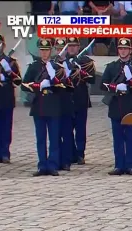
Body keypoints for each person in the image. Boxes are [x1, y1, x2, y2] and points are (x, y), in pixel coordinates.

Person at [20, 38, 64, 176]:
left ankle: (52, 165)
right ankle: (42, 165)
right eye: (42, 50)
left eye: (47, 50)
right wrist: (37, 86)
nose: (44, 53)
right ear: (39, 51)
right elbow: (24, 85)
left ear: (50, 51)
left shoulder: (56, 67)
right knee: (40, 138)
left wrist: (53, 81)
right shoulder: (34, 67)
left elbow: (63, 86)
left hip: (53, 105)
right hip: (39, 105)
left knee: (54, 137)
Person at [100, 38, 132, 176]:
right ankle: (119, 165)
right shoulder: (112, 67)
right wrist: (115, 87)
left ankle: (130, 164)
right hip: (116, 105)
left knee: (130, 137)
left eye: (125, 49)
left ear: (130, 50)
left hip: (129, 105)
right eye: (121, 49)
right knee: (117, 138)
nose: (123, 51)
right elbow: (102, 84)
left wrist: (130, 83)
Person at [0, 21, 22, 164]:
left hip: (7, 96)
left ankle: (5, 152)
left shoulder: (11, 61)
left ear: (3, 46)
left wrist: (9, 70)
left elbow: (18, 81)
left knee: (6, 126)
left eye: (0, 45)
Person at [67, 37, 96, 165]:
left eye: (74, 46)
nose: (72, 48)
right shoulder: (61, 61)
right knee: (67, 129)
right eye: (69, 46)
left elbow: (92, 79)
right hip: (66, 99)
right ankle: (70, 153)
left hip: (80, 99)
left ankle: (80, 153)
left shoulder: (85, 61)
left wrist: (80, 70)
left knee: (80, 129)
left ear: (79, 47)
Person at [53, 38, 76, 171]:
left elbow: (72, 81)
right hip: (54, 103)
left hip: (67, 101)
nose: (60, 51)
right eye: (57, 49)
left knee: (67, 134)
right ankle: (56, 160)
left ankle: (66, 161)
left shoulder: (71, 64)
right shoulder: (51, 64)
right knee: (55, 134)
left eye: (62, 49)